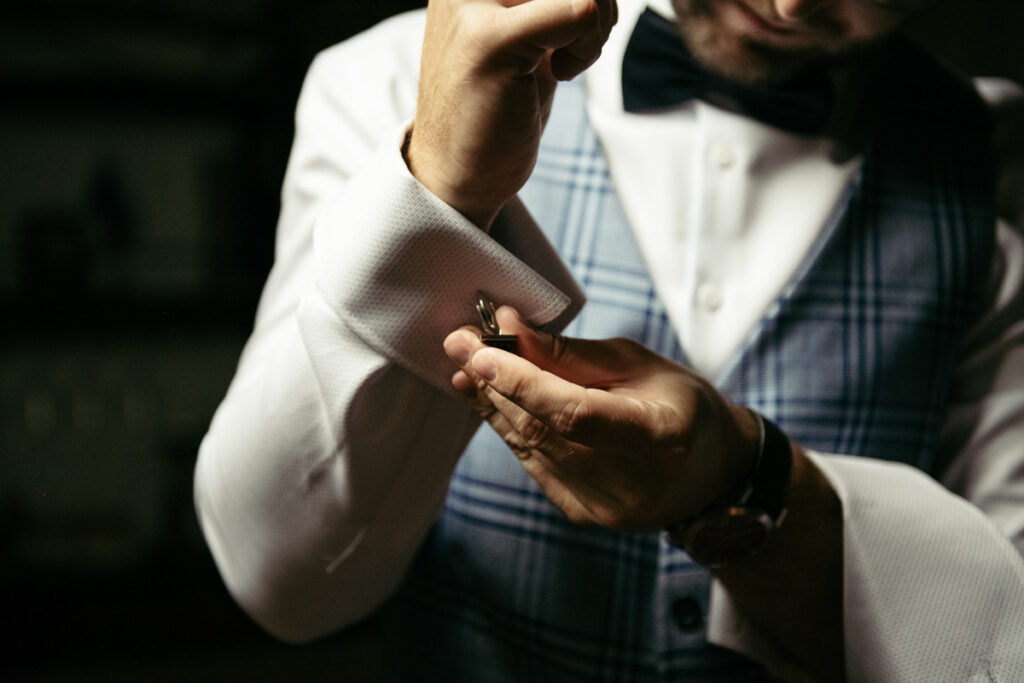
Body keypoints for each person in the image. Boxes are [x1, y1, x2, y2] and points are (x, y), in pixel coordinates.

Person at [194, 0, 1024, 679]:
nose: (790, 5)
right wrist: (442, 190)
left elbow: (1002, 633)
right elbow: (280, 588)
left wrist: (740, 481)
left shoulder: (988, 166)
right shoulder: (384, 82)